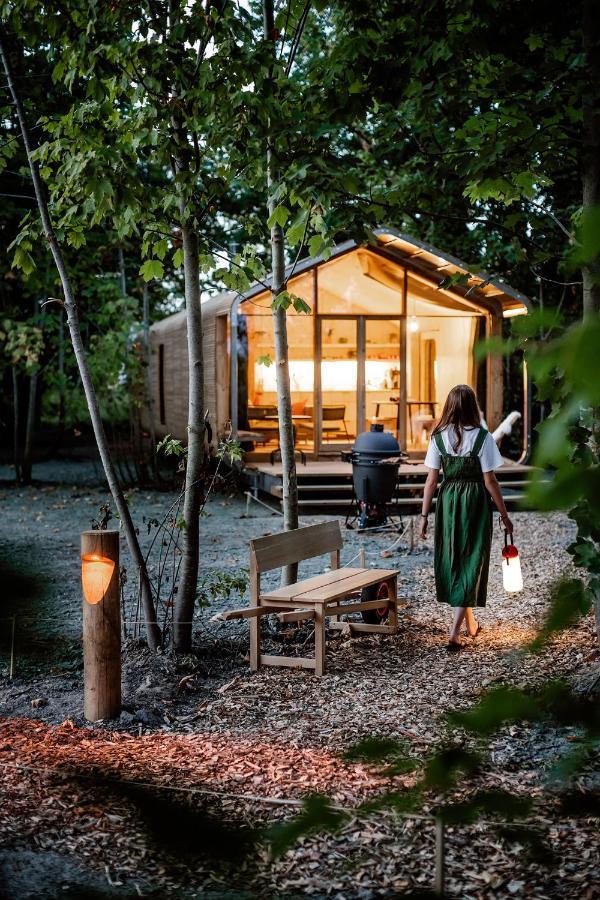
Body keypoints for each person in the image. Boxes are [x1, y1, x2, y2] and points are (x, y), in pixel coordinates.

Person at [419, 384, 514, 650]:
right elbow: (490, 481)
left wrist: (424, 515)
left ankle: (470, 623)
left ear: (448, 406)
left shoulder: (438, 436)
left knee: (456, 556)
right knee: (472, 557)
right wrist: (504, 515)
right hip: (474, 502)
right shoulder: (483, 438)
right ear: (473, 406)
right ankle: (454, 633)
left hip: (448, 500)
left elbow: (431, 481)